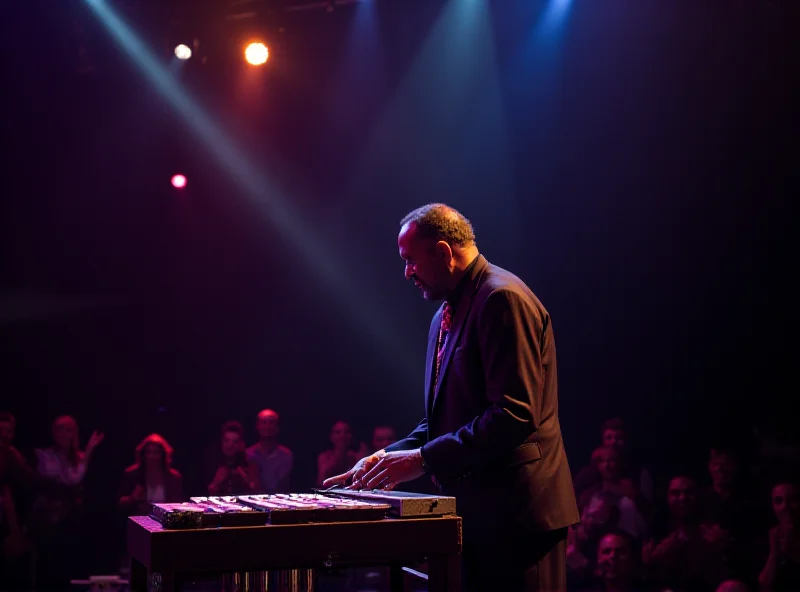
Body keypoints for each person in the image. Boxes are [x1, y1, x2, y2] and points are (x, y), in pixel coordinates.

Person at [324, 203, 579, 591]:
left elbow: (513, 414)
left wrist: (422, 459)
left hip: (518, 522)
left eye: (410, 260)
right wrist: (384, 459)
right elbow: (443, 418)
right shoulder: (444, 315)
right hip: (479, 520)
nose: (406, 272)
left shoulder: (502, 298)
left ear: (443, 252)